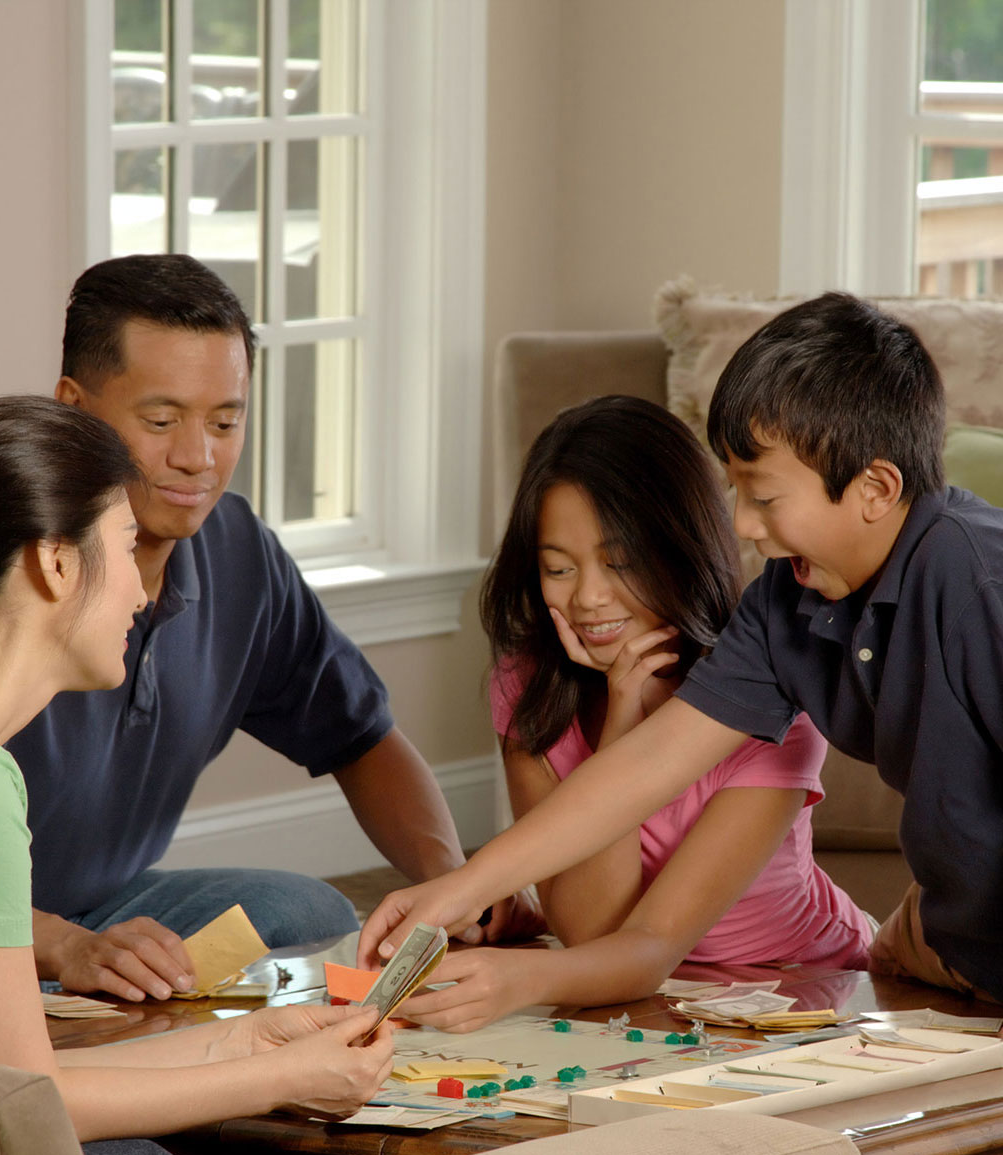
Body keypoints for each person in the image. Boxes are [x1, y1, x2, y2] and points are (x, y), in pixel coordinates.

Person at [0, 397, 393, 1155]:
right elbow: (21, 1100)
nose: (144, 594)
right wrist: (283, 1081)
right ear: (55, 563)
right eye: (126, 547)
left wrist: (252, 1044)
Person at [359, 292, 1003, 1007]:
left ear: (875, 488)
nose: (741, 525)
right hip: (951, 935)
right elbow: (648, 765)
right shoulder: (783, 607)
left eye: (762, 497)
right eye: (734, 491)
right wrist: (458, 890)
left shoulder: (977, 578)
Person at [8, 253, 540, 1005]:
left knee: (307, 910)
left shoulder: (235, 550)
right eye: (161, 422)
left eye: (226, 421)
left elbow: (362, 737)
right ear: (73, 407)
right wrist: (62, 946)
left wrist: (448, 884)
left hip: (106, 906)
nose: (198, 458)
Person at [394, 396, 870, 1032]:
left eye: (619, 563)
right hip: (632, 994)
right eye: (558, 568)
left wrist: (521, 976)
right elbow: (589, 929)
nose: (588, 598)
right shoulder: (529, 685)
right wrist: (622, 718)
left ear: (682, 547)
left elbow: (647, 944)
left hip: (798, 985)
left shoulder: (773, 699)